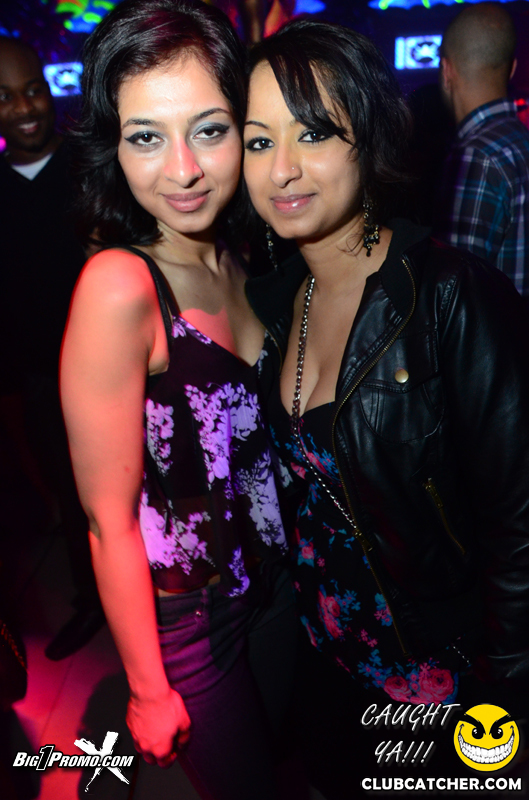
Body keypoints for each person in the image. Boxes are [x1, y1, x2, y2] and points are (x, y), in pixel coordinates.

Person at [243, 18, 529, 798]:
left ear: (366, 139)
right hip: (329, 665)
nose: (282, 168)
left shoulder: (449, 295)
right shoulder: (279, 306)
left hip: (440, 677)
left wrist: (506, 698)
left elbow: (517, 523)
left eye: (313, 133)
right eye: (259, 141)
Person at [60, 1, 296, 798]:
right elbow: (108, 519)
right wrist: (146, 689)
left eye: (208, 129)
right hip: (194, 623)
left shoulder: (240, 251)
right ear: (113, 146)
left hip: (276, 582)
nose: (184, 170)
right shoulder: (120, 286)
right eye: (146, 137)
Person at [0, 35, 105, 661]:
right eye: (4, 97)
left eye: (33, 90)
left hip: (113, 370)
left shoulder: (88, 169)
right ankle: (94, 600)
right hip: (41, 379)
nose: (24, 108)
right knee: (70, 495)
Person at [434, 2, 529, 301]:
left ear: (446, 70)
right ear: (512, 69)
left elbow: (455, 296)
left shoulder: (476, 156)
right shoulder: (521, 141)